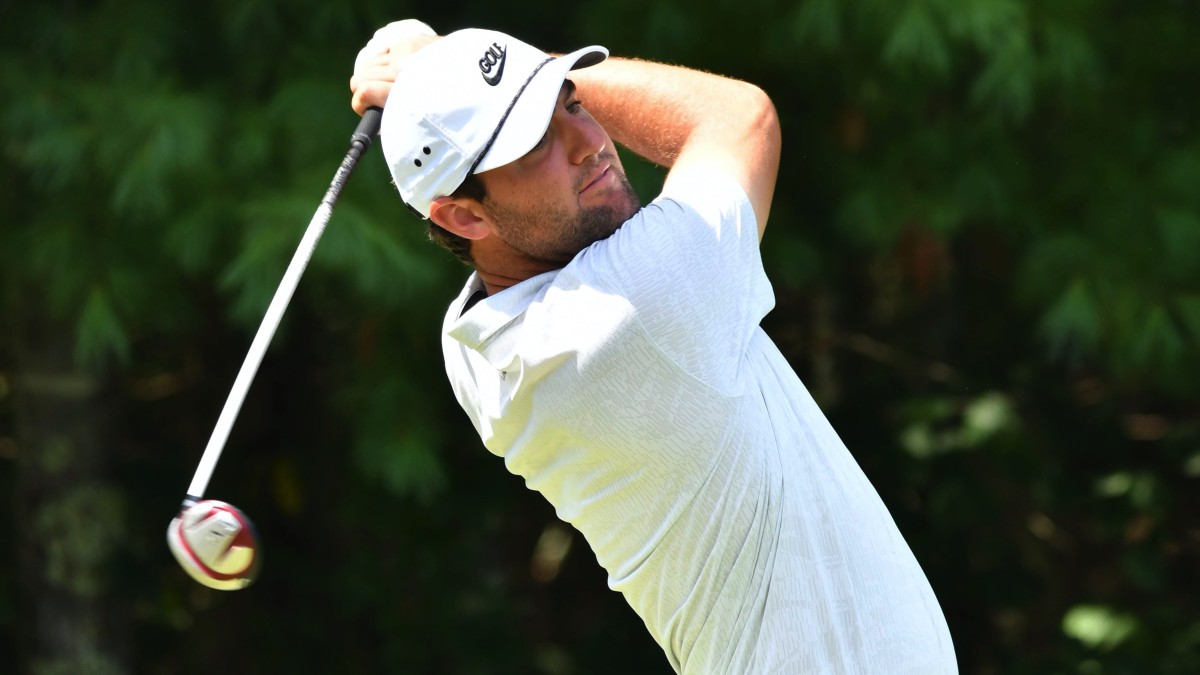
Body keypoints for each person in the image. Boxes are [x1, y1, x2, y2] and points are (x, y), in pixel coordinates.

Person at [350, 20, 958, 674]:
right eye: (534, 142)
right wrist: (456, 64)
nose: (589, 142)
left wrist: (448, 81)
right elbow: (740, 117)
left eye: (572, 101)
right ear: (462, 215)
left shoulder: (474, 340)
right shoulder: (627, 313)